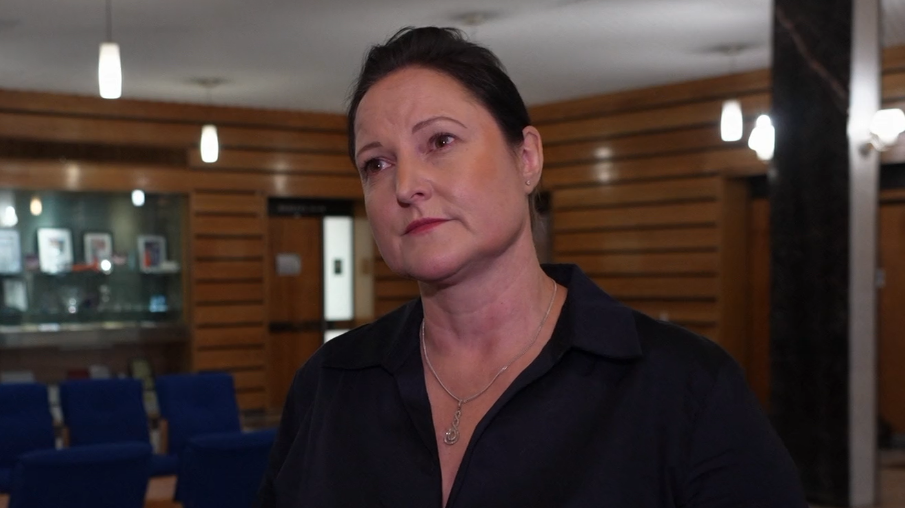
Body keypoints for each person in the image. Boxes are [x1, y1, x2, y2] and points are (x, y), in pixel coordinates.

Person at [256, 27, 807, 508]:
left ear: (527, 159)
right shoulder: (329, 386)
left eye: (440, 141)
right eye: (377, 163)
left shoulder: (684, 388)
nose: (405, 186)